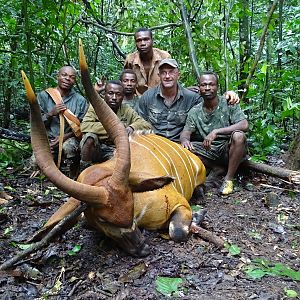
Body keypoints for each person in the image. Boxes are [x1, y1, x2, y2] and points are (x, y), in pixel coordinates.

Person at [136, 58, 240, 142]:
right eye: (163, 73)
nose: (167, 76)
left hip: (180, 146)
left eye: (171, 72)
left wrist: (228, 95)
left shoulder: (192, 98)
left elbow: (211, 101)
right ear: (159, 76)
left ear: (178, 75)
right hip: (154, 143)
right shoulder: (147, 97)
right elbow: (138, 122)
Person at [180, 72, 248, 195]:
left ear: (217, 86)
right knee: (183, 148)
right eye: (203, 85)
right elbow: (186, 131)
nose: (207, 88)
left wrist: (216, 132)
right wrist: (185, 140)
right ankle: (216, 168)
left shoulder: (228, 103)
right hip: (209, 150)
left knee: (239, 136)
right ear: (199, 88)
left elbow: (244, 125)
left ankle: (228, 179)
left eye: (211, 84)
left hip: (228, 149)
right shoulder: (195, 111)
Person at [80, 80, 152, 168]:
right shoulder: (95, 107)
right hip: (97, 147)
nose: (114, 97)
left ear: (122, 97)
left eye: (118, 94)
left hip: (115, 148)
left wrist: (132, 127)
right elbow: (85, 126)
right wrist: (117, 127)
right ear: (104, 94)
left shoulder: (126, 109)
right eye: (110, 93)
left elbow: (146, 124)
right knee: (89, 138)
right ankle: (84, 167)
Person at [35, 65, 88, 176]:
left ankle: (73, 173)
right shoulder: (44, 96)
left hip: (69, 139)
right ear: (57, 76)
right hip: (48, 139)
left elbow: (83, 127)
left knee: (69, 148)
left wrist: (64, 137)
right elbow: (36, 125)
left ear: (74, 81)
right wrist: (51, 114)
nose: (67, 79)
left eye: (72, 77)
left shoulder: (80, 100)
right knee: (35, 164)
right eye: (64, 75)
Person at [124, 28, 171, 95]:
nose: (143, 43)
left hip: (161, 98)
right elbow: (126, 83)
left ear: (152, 40)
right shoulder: (130, 60)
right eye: (139, 40)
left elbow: (172, 81)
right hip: (138, 100)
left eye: (146, 39)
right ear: (135, 43)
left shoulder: (164, 57)